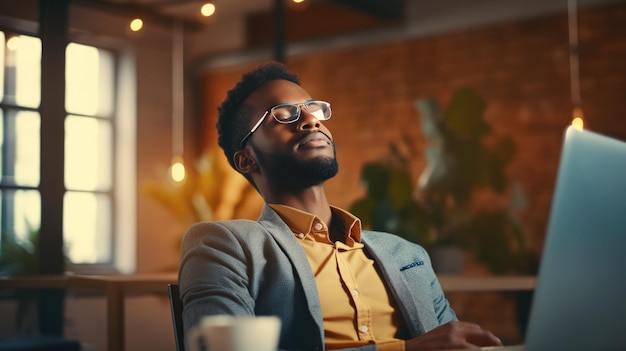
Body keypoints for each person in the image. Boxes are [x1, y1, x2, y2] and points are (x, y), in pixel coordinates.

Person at [178, 62, 503, 351]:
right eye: (283, 114)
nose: (309, 121)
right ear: (247, 159)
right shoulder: (225, 245)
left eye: (312, 109)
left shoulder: (407, 254)